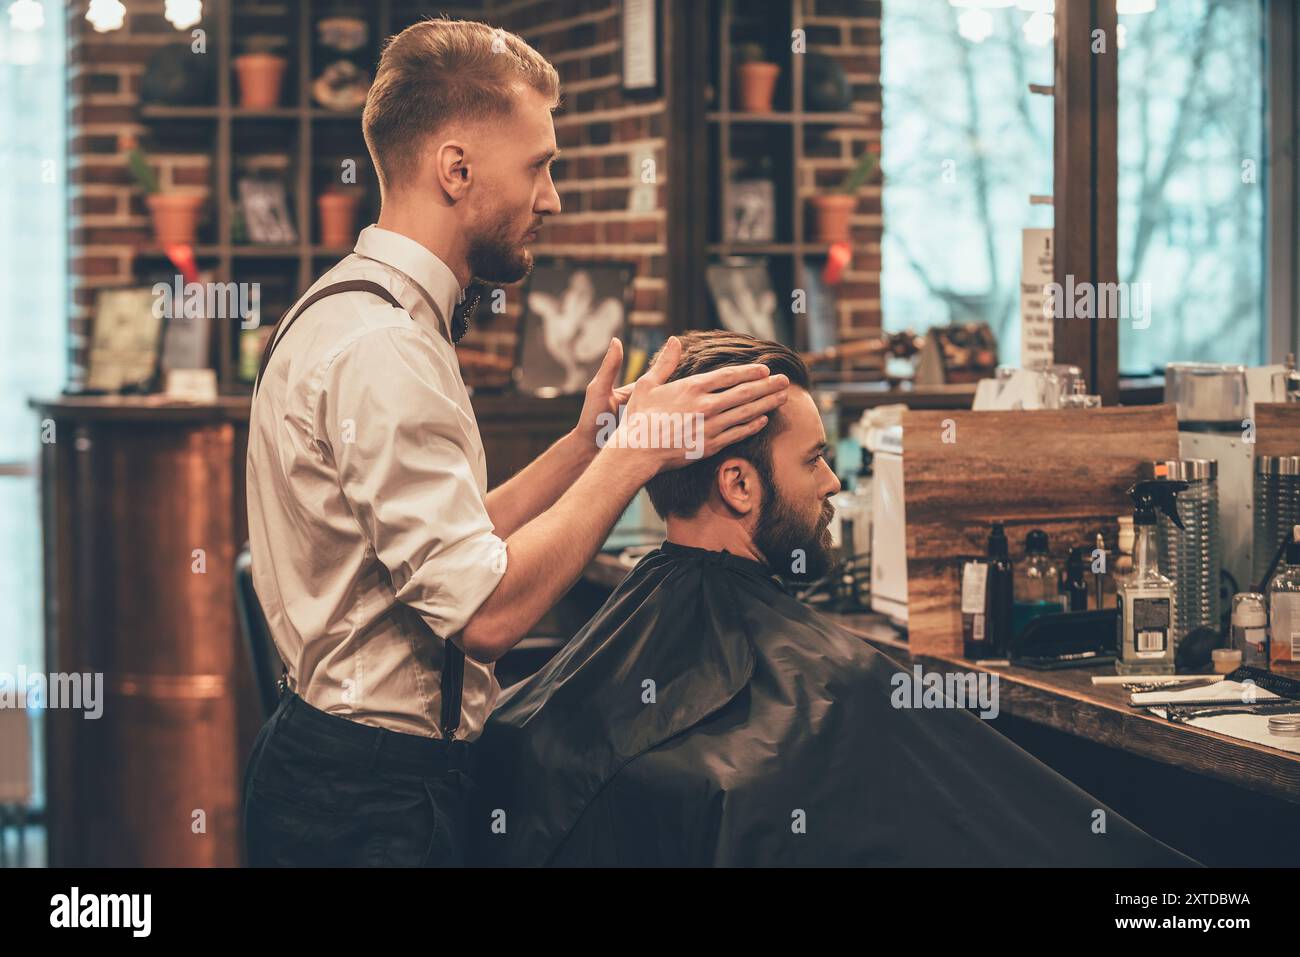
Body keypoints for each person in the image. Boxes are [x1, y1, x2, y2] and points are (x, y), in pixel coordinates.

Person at [241, 21, 789, 867]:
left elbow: (450, 545)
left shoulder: (346, 309)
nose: (553, 197)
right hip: (370, 805)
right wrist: (633, 454)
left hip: (330, 769)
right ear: (456, 170)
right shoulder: (386, 349)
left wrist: (584, 445)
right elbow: (486, 614)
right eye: (539, 165)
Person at [470, 331, 1198, 867]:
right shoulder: (843, 680)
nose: (834, 485)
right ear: (739, 484)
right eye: (815, 458)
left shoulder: (628, 638)